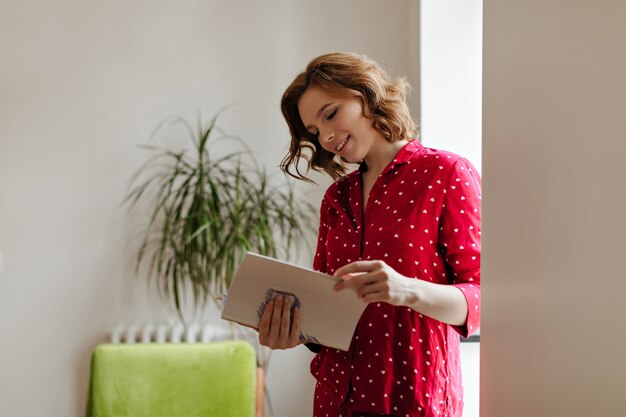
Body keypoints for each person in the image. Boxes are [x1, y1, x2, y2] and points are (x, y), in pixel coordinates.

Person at [258, 52, 481, 417]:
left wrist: (408, 289)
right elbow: (327, 308)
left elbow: (482, 297)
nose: (326, 137)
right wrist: (291, 330)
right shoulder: (336, 199)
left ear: (366, 93)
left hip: (413, 399)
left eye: (330, 114)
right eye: (314, 132)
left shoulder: (445, 173)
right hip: (336, 400)